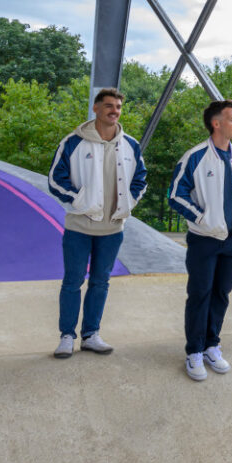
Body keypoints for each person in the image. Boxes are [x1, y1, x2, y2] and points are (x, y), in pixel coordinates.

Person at [47, 87, 147, 359]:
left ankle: (91, 335)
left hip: (113, 229)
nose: (114, 111)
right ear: (96, 108)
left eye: (118, 107)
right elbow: (56, 180)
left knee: (101, 282)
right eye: (108, 106)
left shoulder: (131, 145)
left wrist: (128, 204)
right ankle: (67, 336)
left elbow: (141, 180)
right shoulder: (73, 142)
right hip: (79, 227)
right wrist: (81, 202)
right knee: (72, 282)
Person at [169, 99, 232, 382]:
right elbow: (176, 195)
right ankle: (194, 351)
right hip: (204, 241)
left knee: (221, 294)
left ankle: (211, 345)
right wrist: (203, 218)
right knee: (200, 294)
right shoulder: (194, 157)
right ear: (216, 123)